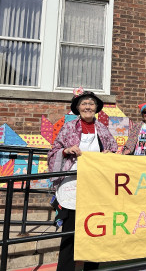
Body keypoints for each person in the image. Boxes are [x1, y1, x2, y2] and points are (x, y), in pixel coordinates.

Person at [47, 88, 117, 271]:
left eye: (91, 103)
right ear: (78, 108)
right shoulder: (68, 127)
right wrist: (66, 150)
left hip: (96, 187)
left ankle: (92, 267)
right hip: (73, 186)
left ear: (96, 108)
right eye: (84, 103)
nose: (88, 107)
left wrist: (109, 154)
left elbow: (114, 151)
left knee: (94, 230)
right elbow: (54, 151)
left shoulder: (103, 129)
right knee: (70, 233)